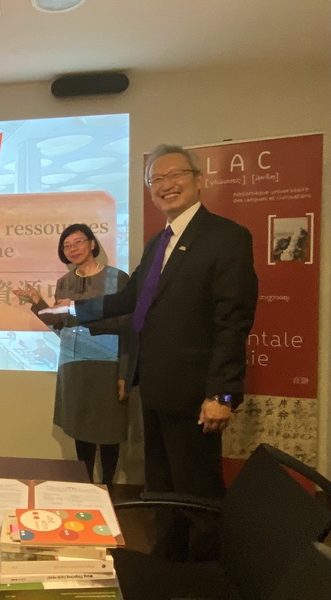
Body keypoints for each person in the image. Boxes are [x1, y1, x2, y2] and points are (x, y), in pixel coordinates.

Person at [57, 145, 258, 560]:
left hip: (195, 393)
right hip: (156, 384)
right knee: (162, 486)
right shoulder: (159, 242)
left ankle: (207, 574)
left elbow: (233, 322)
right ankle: (168, 562)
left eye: (174, 176)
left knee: (197, 489)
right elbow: (131, 297)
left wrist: (222, 395)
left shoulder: (226, 237)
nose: (166, 186)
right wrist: (72, 310)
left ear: (199, 179)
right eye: (156, 180)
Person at [13, 224, 136, 485]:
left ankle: (108, 490)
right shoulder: (64, 283)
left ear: (92, 244)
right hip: (74, 365)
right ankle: (85, 489)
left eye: (78, 242)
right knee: (82, 431)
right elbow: (62, 328)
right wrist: (37, 302)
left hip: (108, 365)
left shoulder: (117, 278)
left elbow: (128, 328)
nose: (72, 249)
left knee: (109, 432)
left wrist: (126, 373)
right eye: (67, 246)